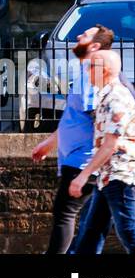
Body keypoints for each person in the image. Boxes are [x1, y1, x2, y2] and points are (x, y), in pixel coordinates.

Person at [69, 50, 135, 253]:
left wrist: (83, 176)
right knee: (92, 231)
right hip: (109, 176)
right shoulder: (106, 96)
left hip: (121, 175)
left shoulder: (116, 98)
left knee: (128, 231)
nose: (87, 71)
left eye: (91, 66)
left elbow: (110, 145)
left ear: (106, 70)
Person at [31, 26, 112, 253]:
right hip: (78, 158)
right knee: (97, 221)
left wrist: (94, 163)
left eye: (84, 35)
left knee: (65, 213)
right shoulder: (85, 70)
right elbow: (74, 117)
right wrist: (50, 143)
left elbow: (96, 114)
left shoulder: (91, 73)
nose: (78, 36)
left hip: (83, 159)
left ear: (95, 46)